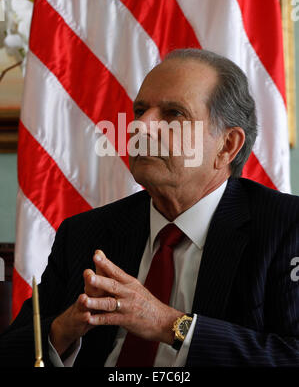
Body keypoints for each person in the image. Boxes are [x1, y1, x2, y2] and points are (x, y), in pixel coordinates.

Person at [0, 49, 298, 367]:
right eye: (140, 110)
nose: (141, 127)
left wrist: (168, 324)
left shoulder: (286, 227)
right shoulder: (85, 233)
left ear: (226, 146)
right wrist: (61, 331)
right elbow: (10, 353)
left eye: (173, 114)